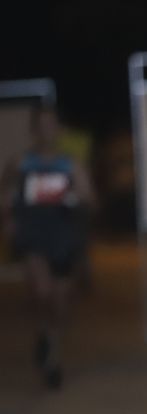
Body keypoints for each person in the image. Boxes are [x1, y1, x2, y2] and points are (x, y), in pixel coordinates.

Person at [0, 103, 94, 389]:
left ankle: (50, 343)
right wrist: (8, 218)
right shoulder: (20, 162)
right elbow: (5, 193)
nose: (47, 131)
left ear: (60, 130)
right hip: (33, 236)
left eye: (52, 125)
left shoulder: (71, 164)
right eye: (41, 126)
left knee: (60, 301)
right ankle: (51, 359)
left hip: (64, 238)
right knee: (42, 292)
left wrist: (78, 197)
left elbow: (91, 200)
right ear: (33, 130)